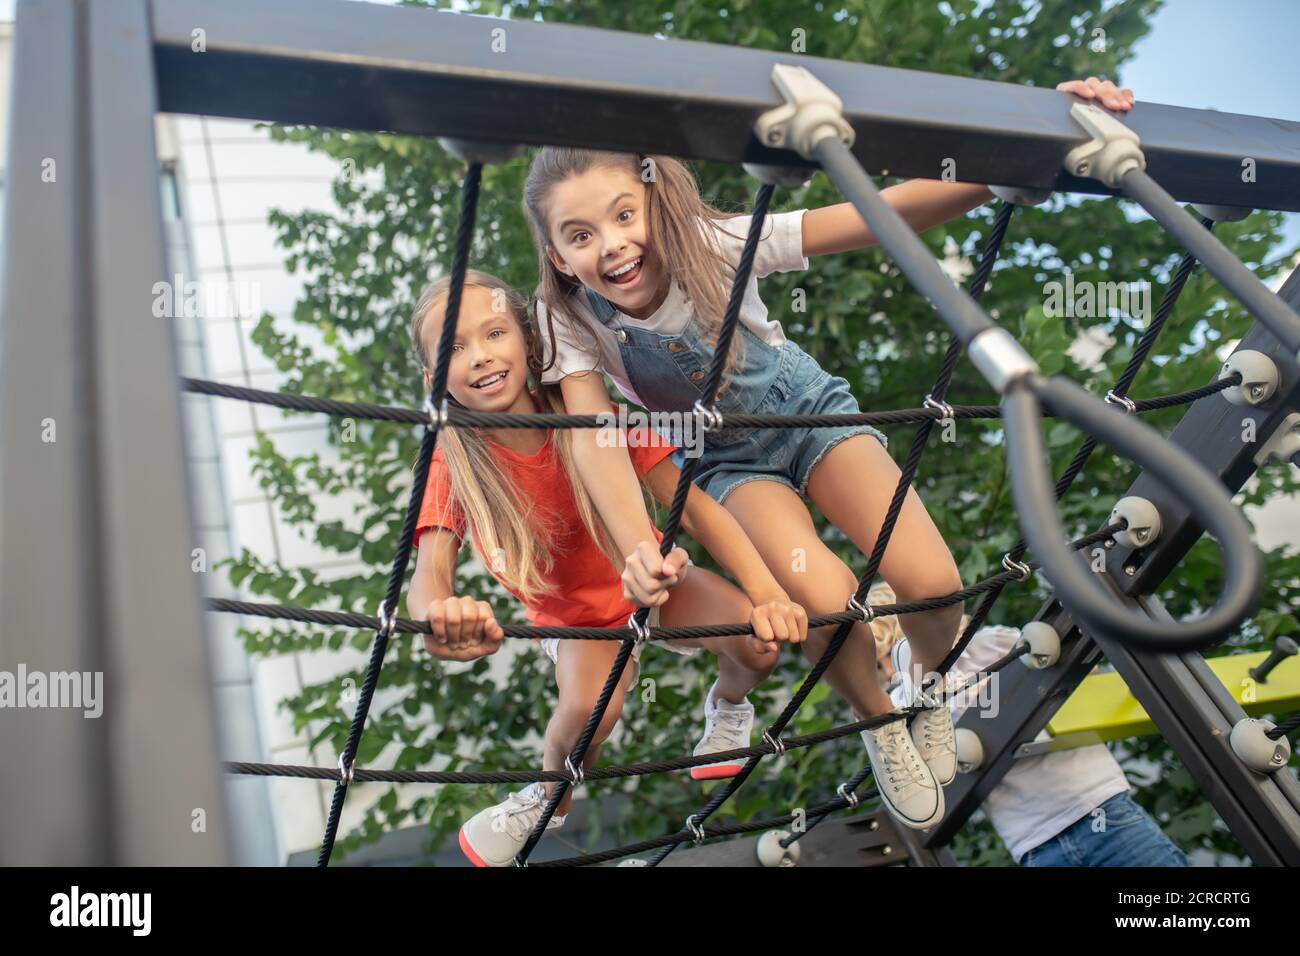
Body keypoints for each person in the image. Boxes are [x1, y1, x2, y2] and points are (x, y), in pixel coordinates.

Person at [520, 76, 1135, 831]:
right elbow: (597, 441)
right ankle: (880, 723)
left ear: (656, 197)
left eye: (623, 215)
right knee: (826, 598)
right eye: (579, 234)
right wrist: (635, 546)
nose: (611, 244)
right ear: (554, 249)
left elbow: (877, 217)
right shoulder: (567, 318)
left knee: (933, 583)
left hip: (807, 415)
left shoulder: (716, 245)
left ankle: (928, 686)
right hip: (726, 462)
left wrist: (1027, 154)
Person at [404, 268, 809, 866]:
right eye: (454, 349)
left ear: (527, 338)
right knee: (593, 715)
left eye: (493, 334)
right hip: (577, 621)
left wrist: (768, 589)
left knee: (759, 643)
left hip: (654, 583)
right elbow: (428, 575)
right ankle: (546, 796)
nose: (480, 358)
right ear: (433, 377)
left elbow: (693, 511)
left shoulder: (590, 413)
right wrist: (441, 614)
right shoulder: (455, 461)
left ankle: (727, 707)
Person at [871, 580, 1189, 867]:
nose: (887, 672)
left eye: (890, 653)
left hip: (1096, 805)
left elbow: (1081, 676)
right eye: (876, 665)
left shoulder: (989, 646)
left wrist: (1012, 692)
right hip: (1031, 841)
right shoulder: (903, 704)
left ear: (913, 632)